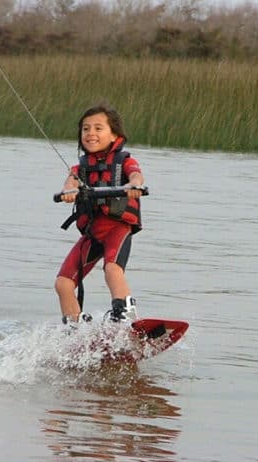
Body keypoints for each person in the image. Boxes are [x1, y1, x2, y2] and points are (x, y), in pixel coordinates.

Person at [55, 104, 145, 325]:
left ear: (115, 135)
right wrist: (69, 192)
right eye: (85, 129)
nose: (90, 134)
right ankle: (73, 330)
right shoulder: (79, 168)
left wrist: (134, 186)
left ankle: (125, 315)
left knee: (112, 269)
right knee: (63, 283)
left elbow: (136, 176)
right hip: (93, 232)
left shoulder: (124, 161)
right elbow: (71, 182)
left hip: (117, 227)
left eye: (98, 128)